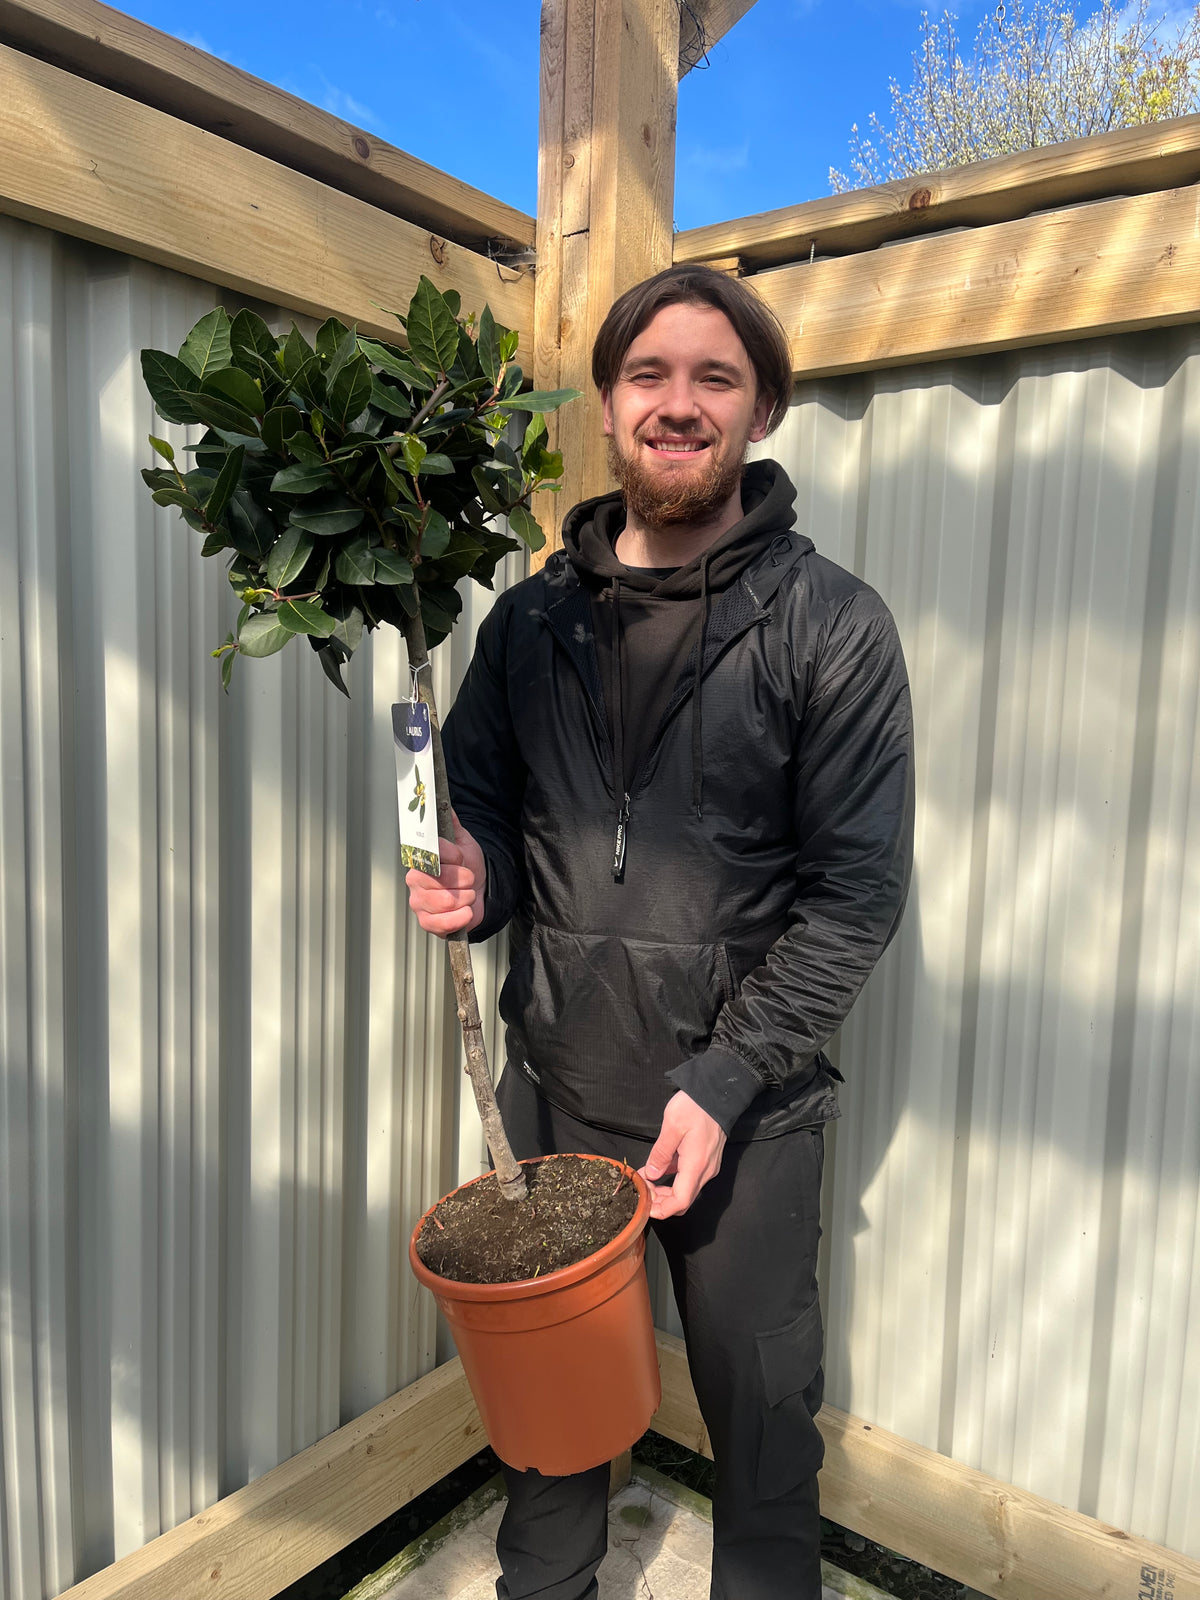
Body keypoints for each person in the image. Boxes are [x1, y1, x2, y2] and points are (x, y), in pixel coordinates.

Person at [406, 263, 914, 1600]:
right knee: (553, 1424)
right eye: (648, 374)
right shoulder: (529, 623)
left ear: (762, 412)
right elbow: (494, 829)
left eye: (713, 378)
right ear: (611, 401)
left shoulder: (832, 627)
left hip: (743, 1115)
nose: (676, 404)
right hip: (564, 1089)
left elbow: (855, 894)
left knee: (759, 1423)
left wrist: (731, 1075)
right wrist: (477, 890)